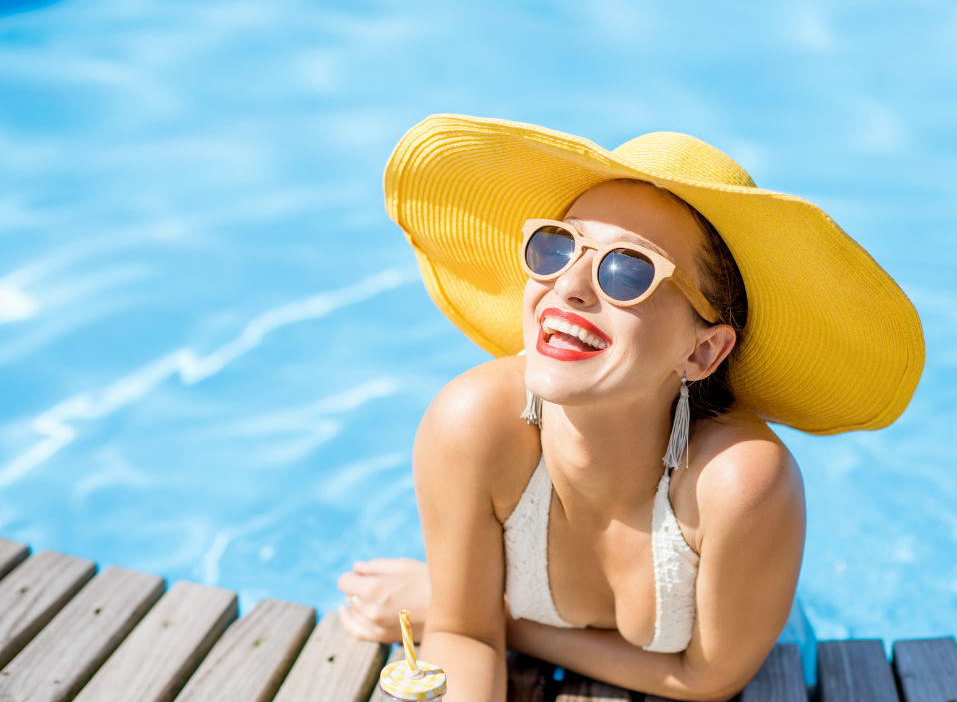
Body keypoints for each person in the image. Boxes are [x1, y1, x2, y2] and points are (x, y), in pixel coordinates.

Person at [337, 115, 924, 702]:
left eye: (626, 271)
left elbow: (710, 679)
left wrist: (481, 613)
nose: (569, 285)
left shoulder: (739, 484)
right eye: (556, 247)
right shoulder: (471, 425)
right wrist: (471, 620)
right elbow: (466, 637)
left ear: (702, 351)